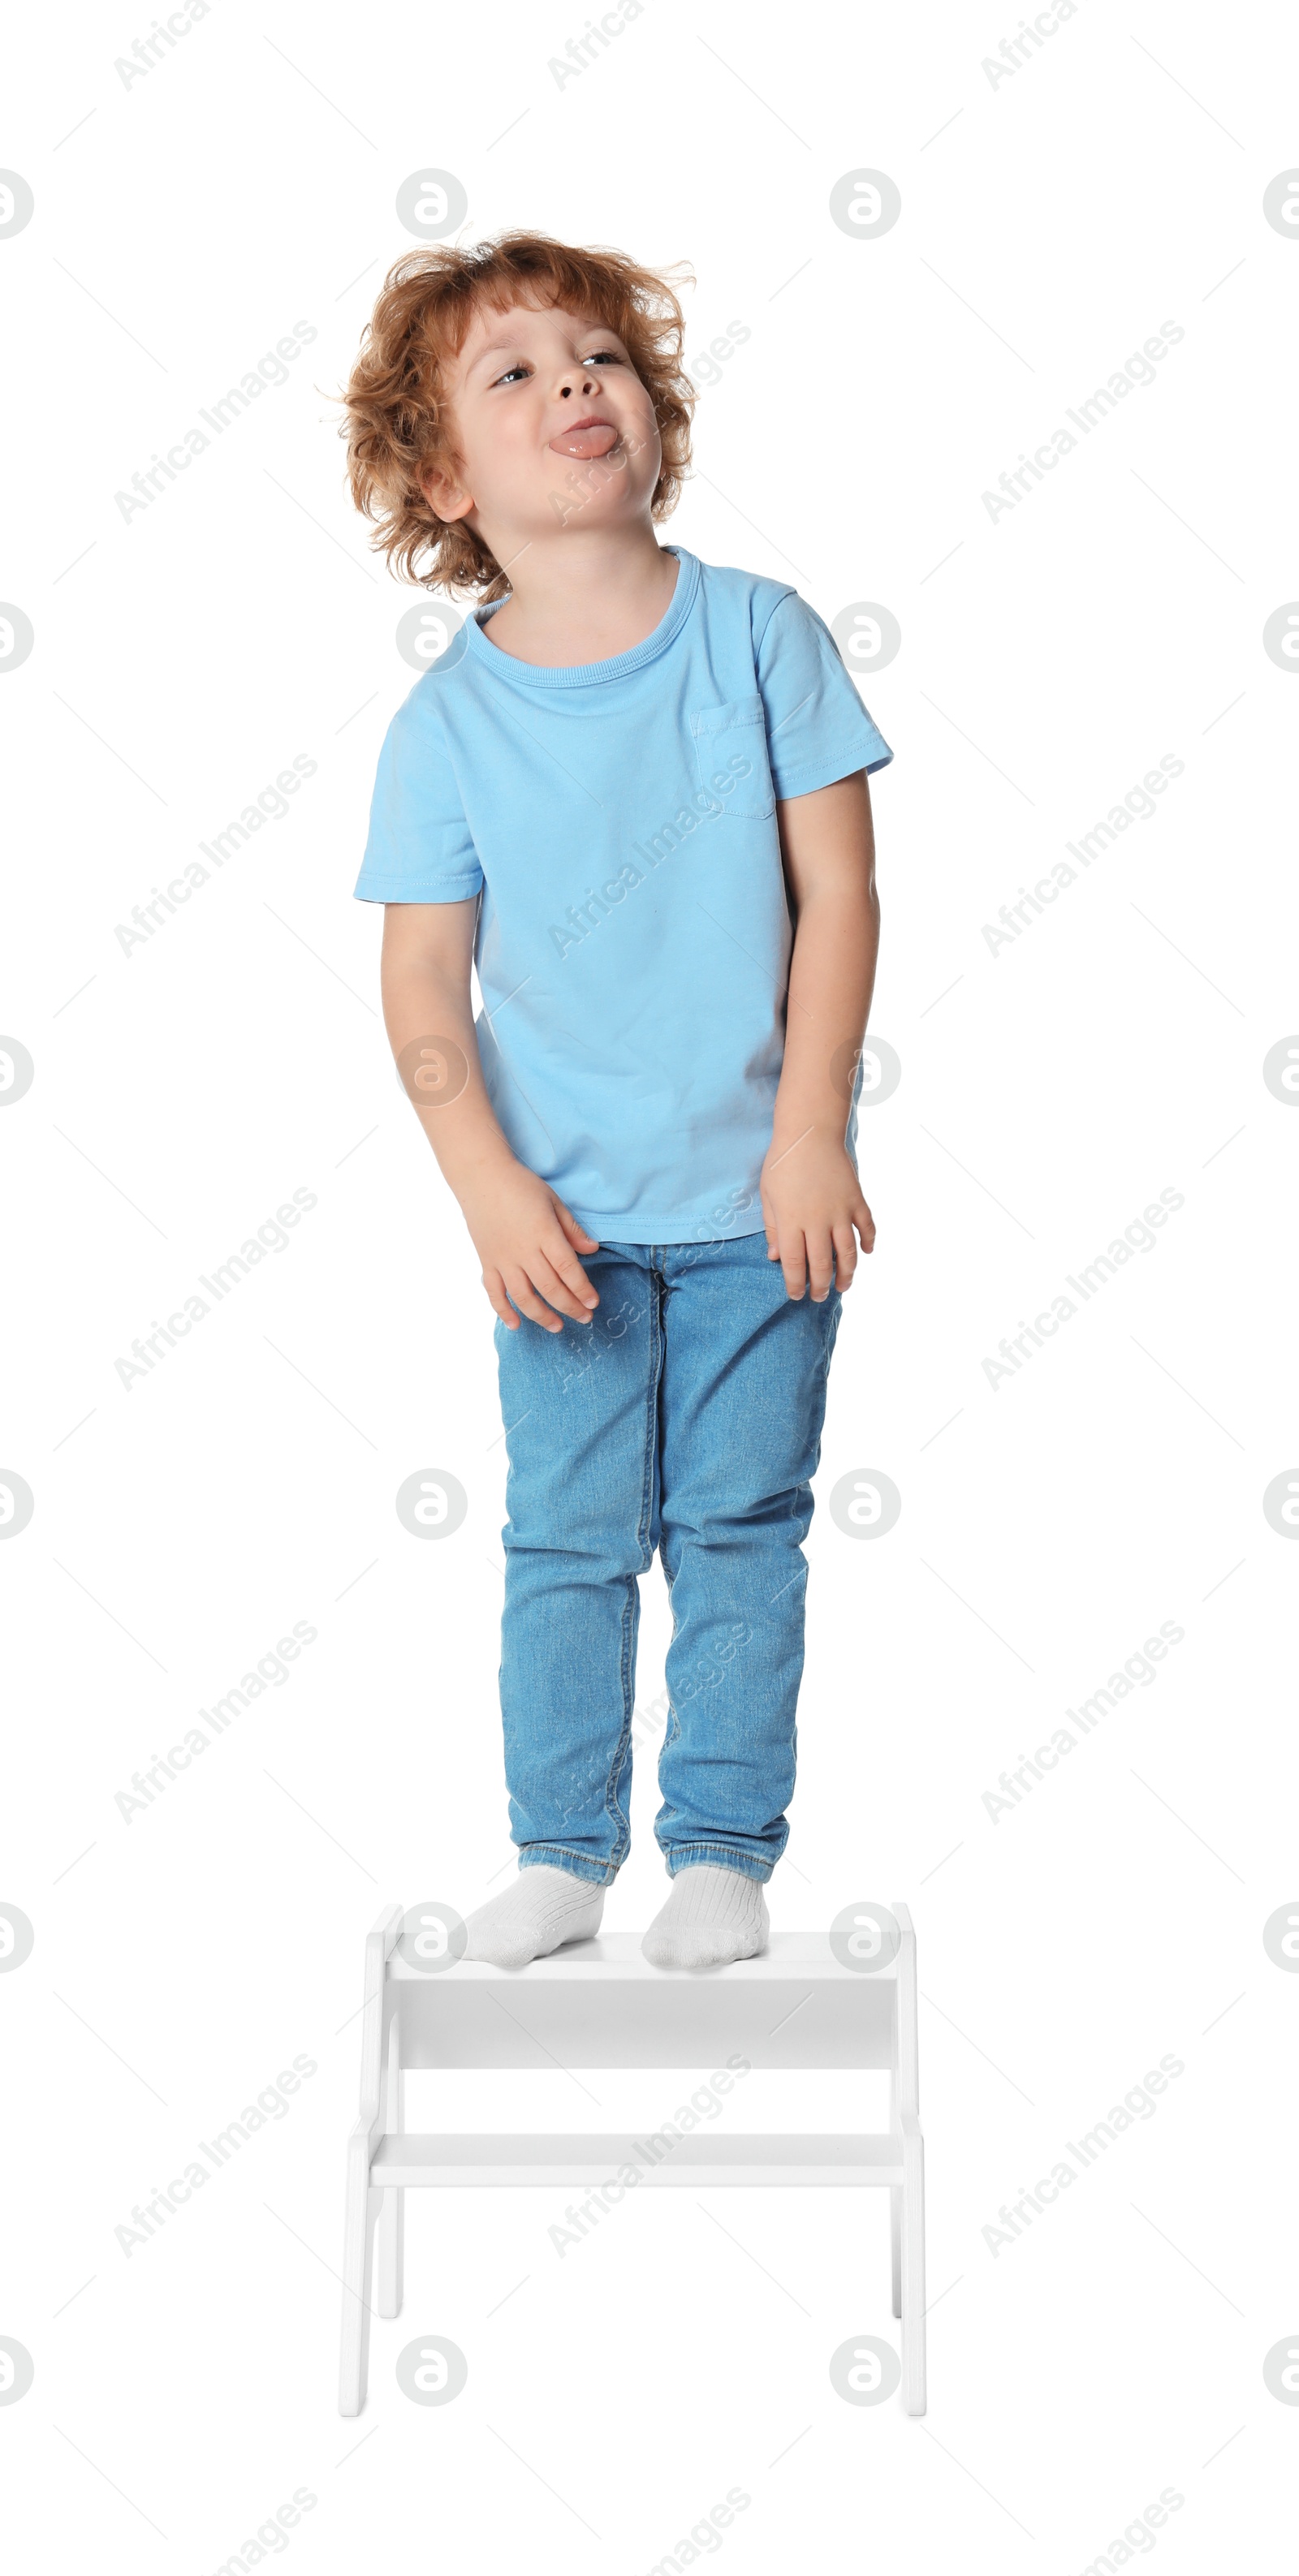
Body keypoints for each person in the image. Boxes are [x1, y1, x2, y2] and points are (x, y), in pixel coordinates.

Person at [342, 230, 892, 1970]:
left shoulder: (758, 637)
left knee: (738, 1527)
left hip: (754, 1211)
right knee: (566, 1540)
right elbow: (421, 982)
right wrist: (488, 1192)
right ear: (442, 476)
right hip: (561, 1226)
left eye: (601, 359)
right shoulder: (445, 727)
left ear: (653, 418)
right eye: (513, 373)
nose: (576, 383)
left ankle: (719, 1849)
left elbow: (840, 897)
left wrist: (811, 1130)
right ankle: (561, 1853)